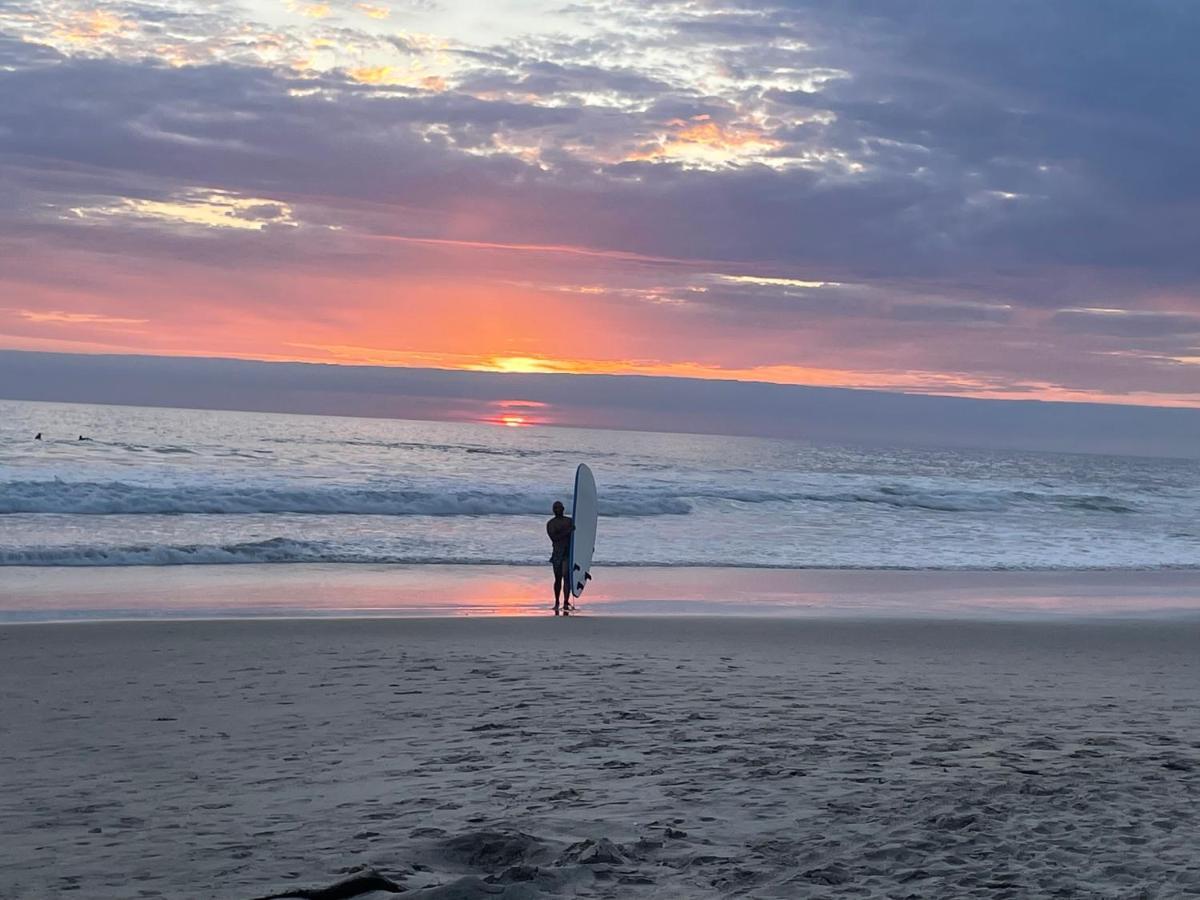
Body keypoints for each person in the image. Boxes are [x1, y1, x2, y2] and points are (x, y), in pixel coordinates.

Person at [546, 500, 574, 614]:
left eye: (559, 507)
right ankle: (557, 602)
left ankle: (566, 602)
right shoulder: (551, 524)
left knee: (566, 577)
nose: (558, 509)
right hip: (557, 554)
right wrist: (568, 531)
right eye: (555, 508)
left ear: (563, 509)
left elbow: (579, 535)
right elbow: (554, 537)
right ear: (553, 510)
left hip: (568, 553)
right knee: (558, 579)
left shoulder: (569, 521)